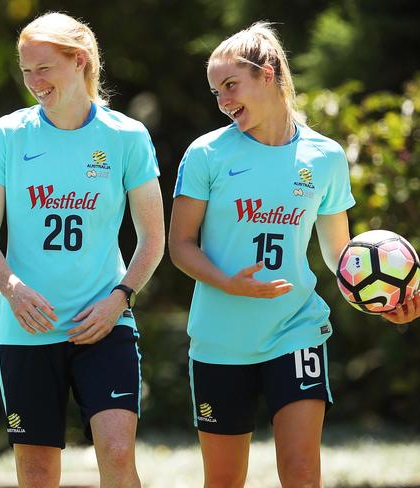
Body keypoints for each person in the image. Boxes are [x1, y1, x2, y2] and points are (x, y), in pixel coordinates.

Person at [0, 12, 164, 488]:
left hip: (105, 322)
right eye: (26, 70)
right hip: (27, 328)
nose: (34, 82)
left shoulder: (127, 136)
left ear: (79, 61)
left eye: (44, 68)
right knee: (37, 472)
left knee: (118, 455)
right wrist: (13, 289)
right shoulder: (7, 135)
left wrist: (120, 297)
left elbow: (153, 239)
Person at [169, 22, 355, 487]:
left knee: (301, 471)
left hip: (296, 330)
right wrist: (228, 283)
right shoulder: (205, 154)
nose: (224, 101)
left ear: (268, 74)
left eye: (231, 85)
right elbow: (180, 246)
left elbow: (340, 255)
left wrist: (380, 299)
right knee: (225, 481)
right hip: (220, 340)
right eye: (216, 92)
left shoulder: (325, 157)